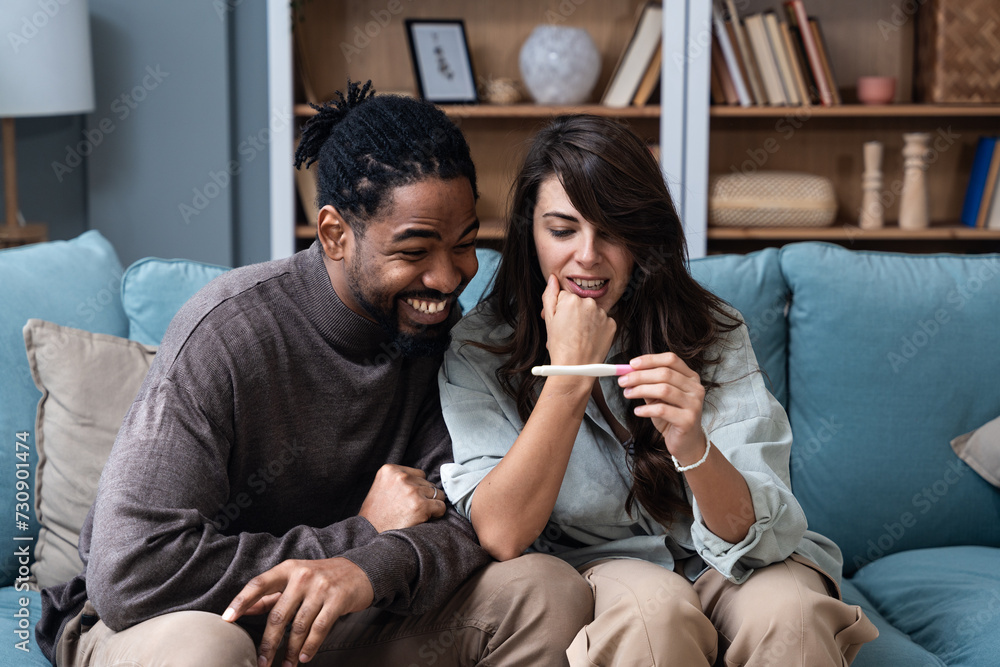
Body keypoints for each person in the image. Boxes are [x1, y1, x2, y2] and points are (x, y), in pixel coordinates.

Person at [36, 82, 591, 667]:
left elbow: (461, 522)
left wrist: (362, 570)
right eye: (414, 251)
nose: (448, 277)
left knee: (546, 591)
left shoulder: (442, 337)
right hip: (182, 618)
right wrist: (356, 539)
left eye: (464, 244)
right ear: (334, 234)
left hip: (343, 613)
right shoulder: (228, 334)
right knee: (209, 650)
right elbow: (132, 571)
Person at [438, 114, 879, 666]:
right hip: (606, 567)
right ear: (530, 235)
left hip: (732, 557)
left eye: (612, 230)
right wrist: (570, 376)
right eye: (563, 230)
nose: (588, 255)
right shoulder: (480, 348)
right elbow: (502, 533)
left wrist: (692, 444)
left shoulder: (711, 330)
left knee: (792, 613)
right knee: (656, 614)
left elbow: (755, 531)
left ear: (643, 238)